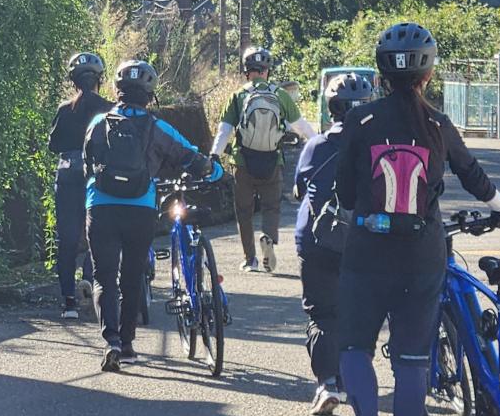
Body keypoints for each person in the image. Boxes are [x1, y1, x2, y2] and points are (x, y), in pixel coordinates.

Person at [335, 23, 500, 416]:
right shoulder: (437, 124)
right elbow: (473, 174)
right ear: (428, 74)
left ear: (380, 73)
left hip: (367, 253)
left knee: (354, 346)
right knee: (413, 360)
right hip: (422, 254)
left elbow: (345, 193)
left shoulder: (360, 122)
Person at [84, 59, 222, 372]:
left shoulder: (97, 123)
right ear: (149, 93)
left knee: (103, 277)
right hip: (140, 208)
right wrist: (215, 170)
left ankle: (112, 343)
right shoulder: (157, 127)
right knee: (131, 277)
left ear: (117, 90)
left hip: (101, 207)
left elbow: (86, 162)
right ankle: (129, 344)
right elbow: (190, 157)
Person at [294, 73, 374, 416]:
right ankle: (355, 382)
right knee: (355, 315)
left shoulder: (317, 146)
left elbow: (300, 187)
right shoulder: (376, 148)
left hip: (317, 241)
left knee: (322, 314)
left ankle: (327, 383)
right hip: (363, 243)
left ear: (333, 108)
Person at [209, 46, 316, 273]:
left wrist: (214, 156)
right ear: (267, 70)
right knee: (271, 207)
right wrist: (321, 145)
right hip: (272, 162)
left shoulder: (238, 96)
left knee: (244, 211)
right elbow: (302, 127)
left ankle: (250, 259)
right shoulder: (280, 95)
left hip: (243, 162)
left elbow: (224, 131)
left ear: (246, 71)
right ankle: (268, 238)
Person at [48, 52, 113, 319]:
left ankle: (68, 302)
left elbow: (53, 145)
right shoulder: (109, 109)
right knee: (97, 235)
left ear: (73, 81)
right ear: (100, 79)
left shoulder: (65, 110)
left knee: (68, 238)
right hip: (96, 177)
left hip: (67, 177)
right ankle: (90, 283)